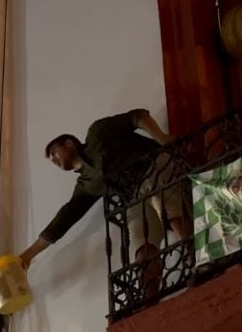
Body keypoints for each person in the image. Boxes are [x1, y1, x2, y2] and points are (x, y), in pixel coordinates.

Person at [19, 109, 187, 295]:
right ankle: (149, 293)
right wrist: (26, 256)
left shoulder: (97, 134)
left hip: (155, 165)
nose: (53, 159)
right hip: (137, 196)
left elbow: (138, 116)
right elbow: (64, 219)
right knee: (139, 238)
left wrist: (162, 138)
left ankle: (194, 255)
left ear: (69, 143)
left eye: (53, 152)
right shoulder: (86, 185)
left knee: (159, 197)